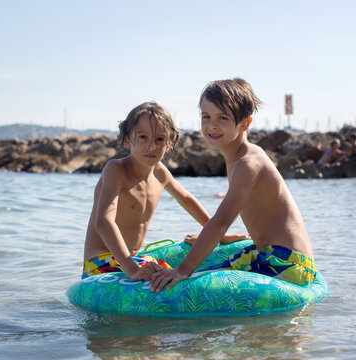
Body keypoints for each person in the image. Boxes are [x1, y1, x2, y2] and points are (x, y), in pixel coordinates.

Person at [150, 78, 316, 292]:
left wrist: (182, 270)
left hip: (288, 263)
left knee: (197, 281)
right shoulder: (237, 158)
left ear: (245, 123)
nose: (212, 125)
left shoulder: (248, 162)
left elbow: (221, 221)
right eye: (206, 116)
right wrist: (221, 238)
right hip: (273, 255)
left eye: (223, 117)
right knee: (208, 271)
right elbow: (228, 220)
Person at [83, 101, 247, 281]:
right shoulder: (116, 170)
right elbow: (104, 221)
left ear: (169, 144)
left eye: (160, 139)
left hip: (134, 260)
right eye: (143, 137)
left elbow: (186, 200)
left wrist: (217, 236)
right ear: (127, 140)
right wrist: (132, 269)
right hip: (100, 264)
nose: (152, 146)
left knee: (194, 271)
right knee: (168, 277)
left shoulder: (159, 173)